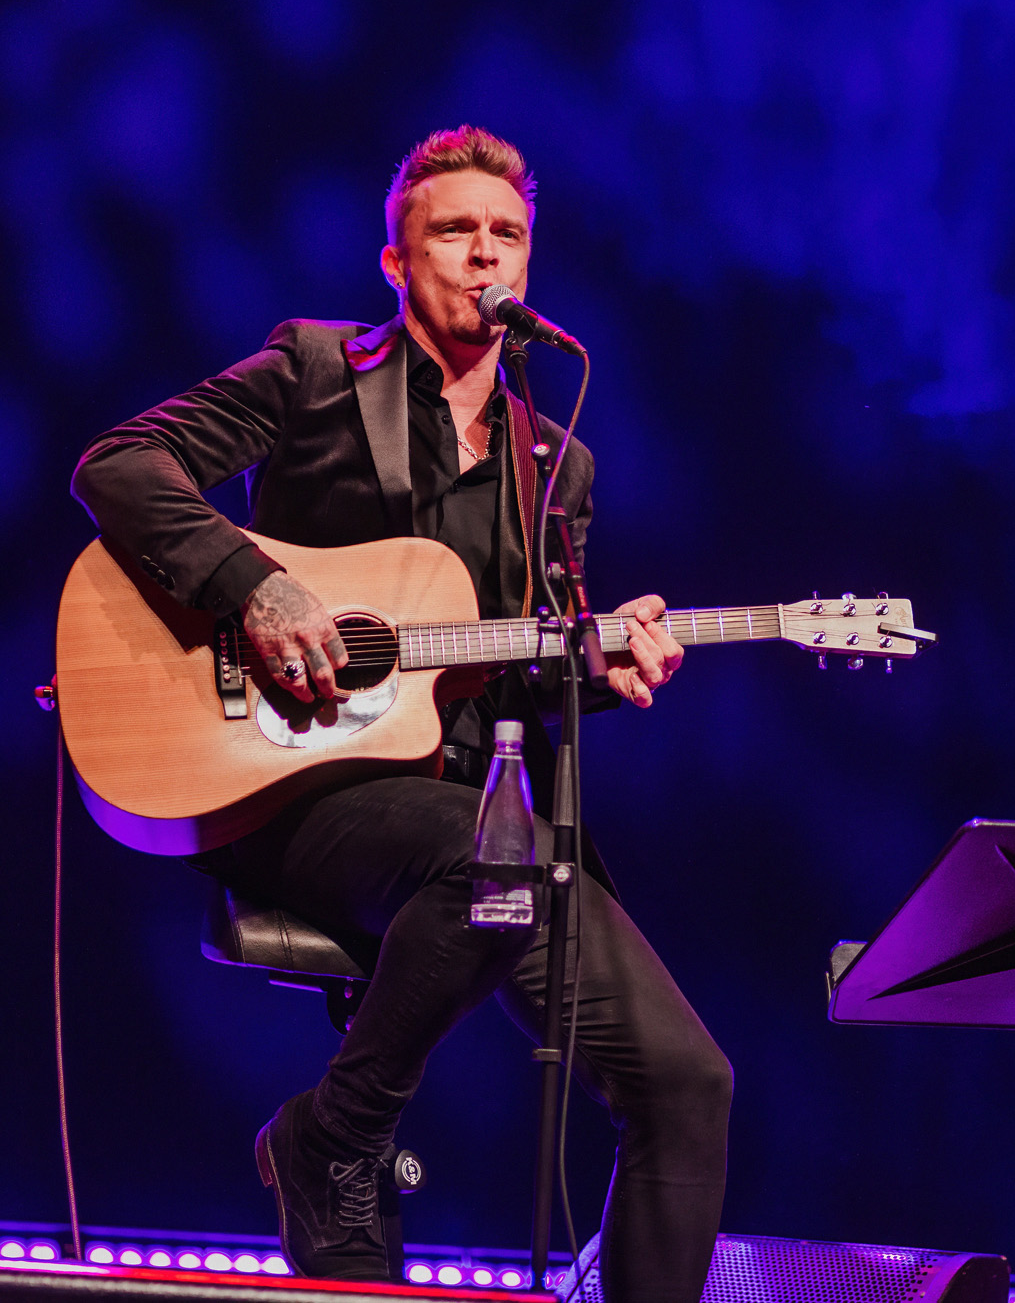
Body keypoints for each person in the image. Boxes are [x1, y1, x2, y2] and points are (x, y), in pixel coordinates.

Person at [70, 126, 732, 1303]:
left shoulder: (555, 465)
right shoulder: (316, 372)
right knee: (489, 849)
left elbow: (513, 670)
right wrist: (252, 585)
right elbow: (120, 465)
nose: (484, 255)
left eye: (506, 235)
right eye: (454, 231)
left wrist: (598, 662)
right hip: (291, 786)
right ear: (395, 261)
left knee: (687, 1085)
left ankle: (337, 1136)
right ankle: (337, 1136)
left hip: (479, 827)